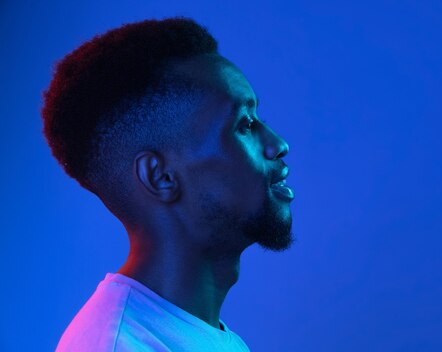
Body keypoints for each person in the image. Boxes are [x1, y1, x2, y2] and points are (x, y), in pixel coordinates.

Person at [41, 16, 295, 351]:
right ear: (160, 177)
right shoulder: (119, 346)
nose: (277, 144)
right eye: (245, 124)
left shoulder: (207, 337)